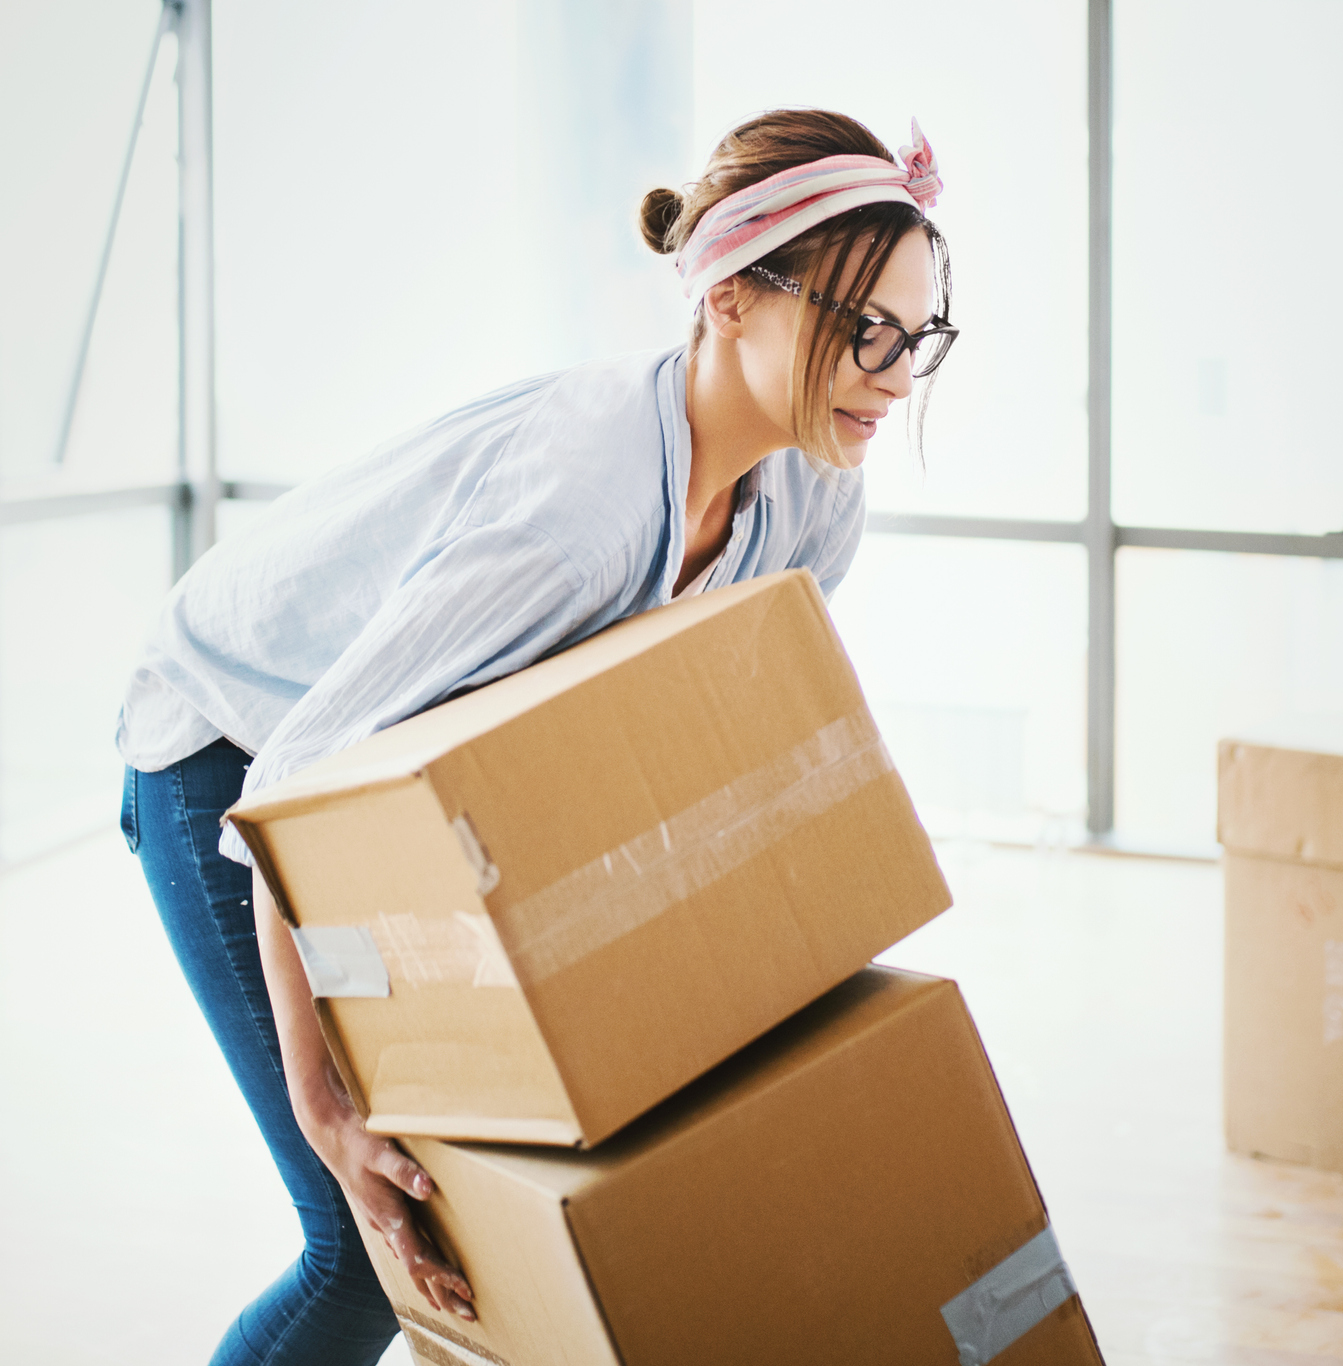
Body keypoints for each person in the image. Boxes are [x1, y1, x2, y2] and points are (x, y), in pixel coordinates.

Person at [116, 107, 955, 1365]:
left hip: (374, 776)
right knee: (365, 1244)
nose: (894, 375)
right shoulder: (584, 510)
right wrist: (327, 1106)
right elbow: (292, 786)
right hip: (226, 747)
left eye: (918, 334)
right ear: (730, 296)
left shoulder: (812, 498)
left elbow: (685, 734)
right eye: (862, 330)